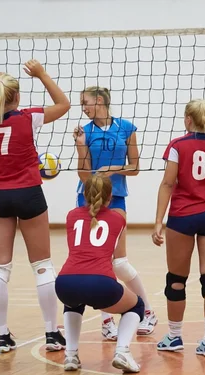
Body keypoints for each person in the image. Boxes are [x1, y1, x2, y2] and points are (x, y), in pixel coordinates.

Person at [0, 59, 70, 353]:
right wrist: (42, 74)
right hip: (30, 193)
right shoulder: (29, 117)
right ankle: (51, 333)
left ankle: (1, 337)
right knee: (43, 266)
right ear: (18, 97)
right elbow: (63, 104)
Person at [152, 99, 205, 357]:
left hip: (182, 217)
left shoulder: (178, 145)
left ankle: (175, 337)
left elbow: (167, 184)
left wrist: (158, 222)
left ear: (188, 119)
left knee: (176, 279)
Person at [72, 86, 157, 339]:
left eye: (85, 103)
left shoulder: (126, 128)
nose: (83, 108)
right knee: (93, 262)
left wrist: (113, 168)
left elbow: (135, 168)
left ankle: (148, 311)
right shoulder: (84, 132)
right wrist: (79, 147)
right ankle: (107, 319)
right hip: (87, 199)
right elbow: (84, 175)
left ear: (99, 101)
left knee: (118, 262)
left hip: (116, 197)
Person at [55, 174, 144, 373]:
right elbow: (118, 260)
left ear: (84, 194)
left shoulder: (71, 216)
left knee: (73, 303)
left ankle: (70, 355)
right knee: (136, 305)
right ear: (110, 196)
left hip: (65, 282)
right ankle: (122, 352)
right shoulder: (118, 219)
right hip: (101, 282)